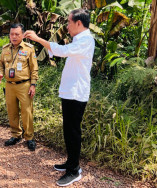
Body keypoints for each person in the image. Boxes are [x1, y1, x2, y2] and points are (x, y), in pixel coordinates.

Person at [24, 8, 95, 186]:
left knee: (73, 131)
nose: (67, 26)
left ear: (79, 23)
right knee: (68, 129)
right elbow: (62, 51)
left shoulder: (86, 40)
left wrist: (38, 38)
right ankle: (70, 163)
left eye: (69, 22)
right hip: (70, 91)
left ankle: (74, 170)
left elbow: (62, 51)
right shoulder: (79, 40)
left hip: (77, 93)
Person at [0, 23, 38, 151]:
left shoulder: (29, 49)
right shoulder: (5, 49)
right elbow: (1, 65)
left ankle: (29, 137)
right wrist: (0, 73)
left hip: (24, 85)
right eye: (11, 34)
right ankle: (16, 135)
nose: (14, 37)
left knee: (27, 112)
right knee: (12, 111)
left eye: (17, 34)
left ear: (22, 35)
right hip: (9, 86)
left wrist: (33, 84)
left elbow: (34, 68)